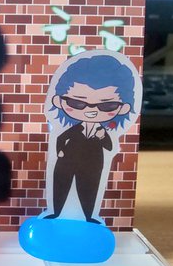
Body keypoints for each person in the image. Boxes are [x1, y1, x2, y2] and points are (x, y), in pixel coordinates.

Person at [45, 53, 136, 224]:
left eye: (107, 105)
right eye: (77, 103)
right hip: (66, 163)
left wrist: (102, 137)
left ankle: (89, 216)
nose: (91, 110)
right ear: (58, 101)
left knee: (90, 189)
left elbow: (110, 147)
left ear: (123, 108)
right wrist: (61, 152)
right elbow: (60, 139)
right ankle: (56, 213)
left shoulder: (102, 132)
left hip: (93, 166)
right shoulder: (72, 130)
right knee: (60, 186)